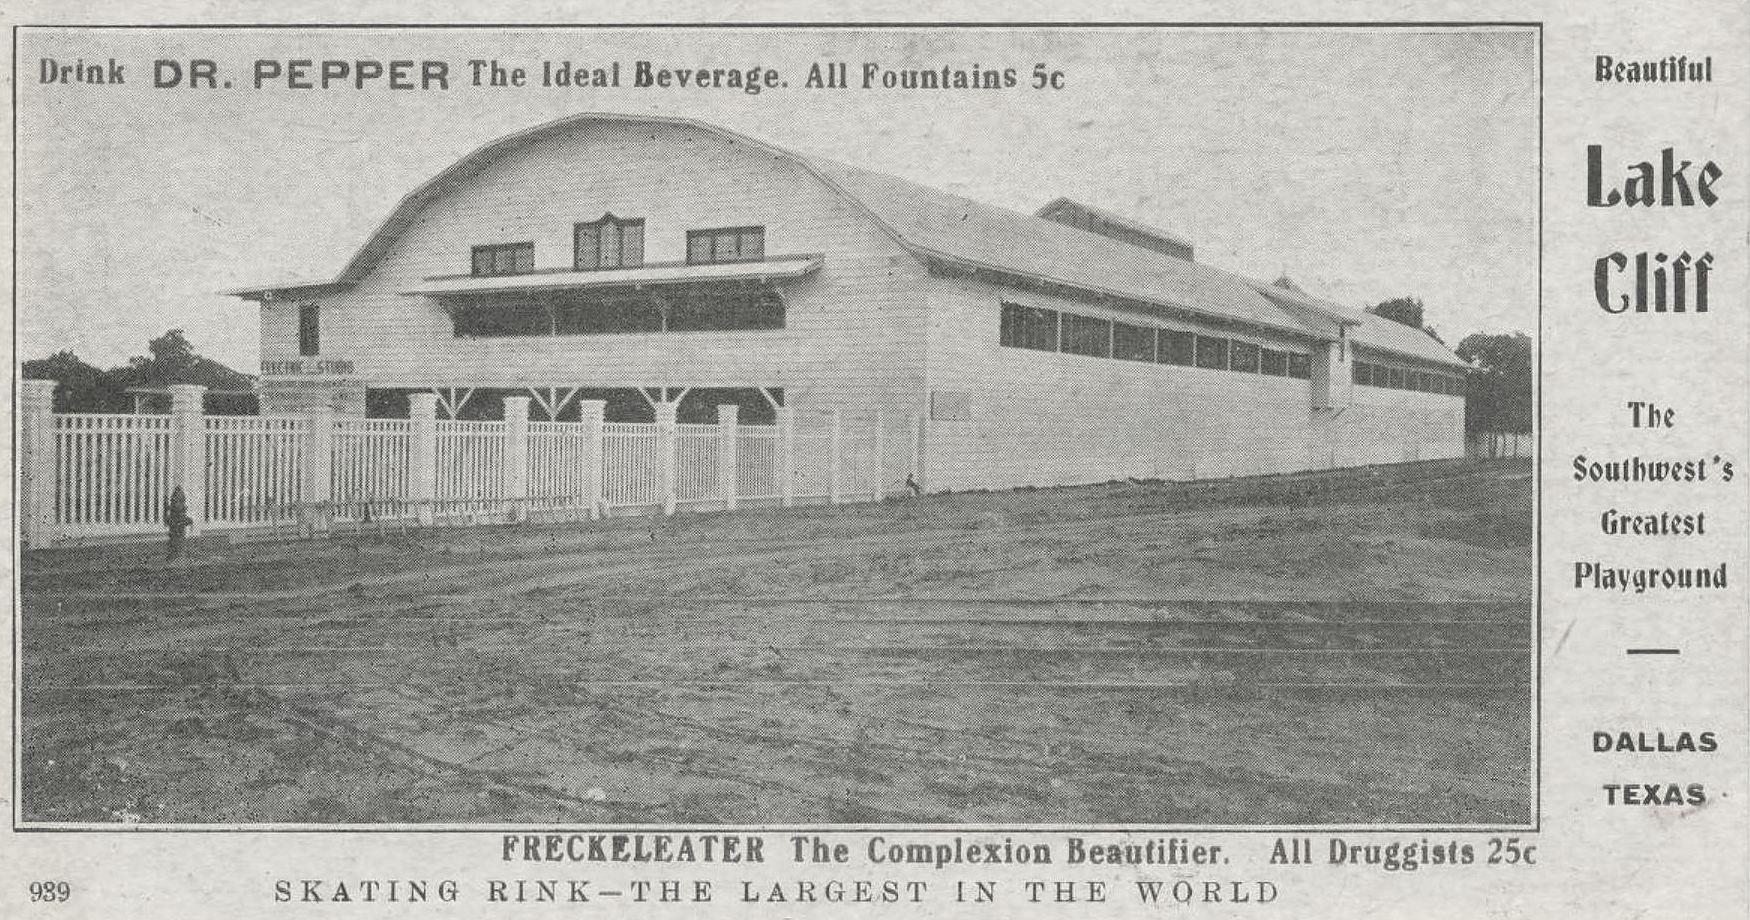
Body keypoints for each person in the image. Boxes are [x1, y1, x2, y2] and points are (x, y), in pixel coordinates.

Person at [165, 485, 192, 562]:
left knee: (178, 546)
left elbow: (187, 521)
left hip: (177, 537)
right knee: (174, 545)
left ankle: (178, 556)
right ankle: (175, 556)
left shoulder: (182, 517)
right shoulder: (171, 517)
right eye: (175, 501)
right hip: (174, 538)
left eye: (181, 502)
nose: (179, 504)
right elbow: (168, 520)